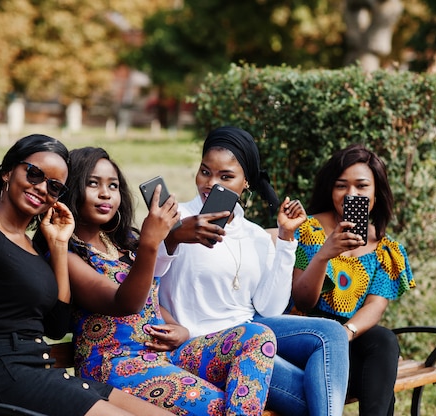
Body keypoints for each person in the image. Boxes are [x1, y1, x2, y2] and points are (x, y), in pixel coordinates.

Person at [0, 134, 173, 416]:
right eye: (34, 174)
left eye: (54, 187)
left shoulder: (27, 243)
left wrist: (58, 246)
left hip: (39, 373)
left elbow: (56, 325)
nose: (42, 188)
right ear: (8, 171)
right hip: (4, 377)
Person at [60, 146, 277, 416]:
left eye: (113, 185)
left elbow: (150, 299)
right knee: (218, 407)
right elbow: (125, 302)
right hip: (115, 366)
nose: (105, 193)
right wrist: (152, 242)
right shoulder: (68, 254)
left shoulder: (123, 241)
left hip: (164, 354)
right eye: (93, 183)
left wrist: (179, 329)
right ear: (71, 190)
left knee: (259, 336)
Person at [157, 126, 350, 416]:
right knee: (316, 395)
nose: (211, 183)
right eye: (205, 171)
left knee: (330, 333)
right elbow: (150, 277)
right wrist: (173, 236)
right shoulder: (176, 218)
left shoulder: (255, 235)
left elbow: (268, 307)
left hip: (252, 331)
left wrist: (285, 238)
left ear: (246, 181)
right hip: (202, 344)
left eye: (226, 176)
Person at [291, 144, 416, 416]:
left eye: (361, 186)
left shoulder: (385, 249)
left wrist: (345, 332)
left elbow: (376, 305)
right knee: (380, 371)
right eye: (341, 186)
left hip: (347, 340)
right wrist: (325, 255)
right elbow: (302, 299)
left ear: (376, 192)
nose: (351, 195)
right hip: (304, 335)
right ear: (330, 189)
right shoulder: (309, 230)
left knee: (384, 341)